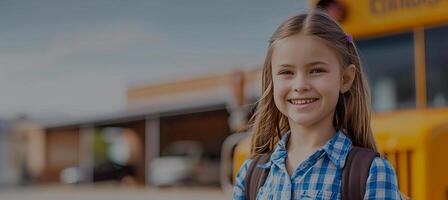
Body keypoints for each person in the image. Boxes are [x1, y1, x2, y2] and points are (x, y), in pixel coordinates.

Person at [233, 10, 403, 199]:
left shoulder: (372, 173)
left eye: (316, 70)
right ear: (271, 81)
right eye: (287, 72)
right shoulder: (250, 175)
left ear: (345, 79)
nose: (300, 86)